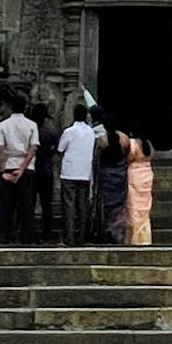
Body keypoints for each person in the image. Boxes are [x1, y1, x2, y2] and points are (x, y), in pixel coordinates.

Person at [0, 92, 39, 245]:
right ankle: (27, 237)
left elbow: (0, 148)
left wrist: (2, 170)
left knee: (8, 204)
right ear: (25, 107)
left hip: (9, 164)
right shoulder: (32, 125)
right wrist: (22, 168)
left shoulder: (3, 125)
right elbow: (33, 149)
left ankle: (6, 235)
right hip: (26, 166)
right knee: (26, 203)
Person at [56, 101, 97, 247]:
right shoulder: (91, 133)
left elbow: (60, 149)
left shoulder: (69, 132)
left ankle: (69, 237)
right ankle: (81, 237)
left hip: (69, 173)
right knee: (82, 206)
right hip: (84, 173)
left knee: (69, 206)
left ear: (73, 115)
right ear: (86, 116)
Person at [31, 101, 60, 242]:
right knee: (46, 204)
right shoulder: (50, 132)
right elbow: (56, 148)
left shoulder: (30, 131)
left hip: (31, 169)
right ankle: (46, 234)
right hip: (47, 170)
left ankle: (29, 233)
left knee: (29, 202)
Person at [97, 121, 129, 244]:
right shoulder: (124, 138)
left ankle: (107, 231)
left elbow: (99, 155)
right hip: (119, 173)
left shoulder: (103, 140)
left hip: (107, 174)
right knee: (119, 205)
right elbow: (126, 153)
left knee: (107, 204)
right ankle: (118, 232)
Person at [122, 131, 155, 246]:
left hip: (135, 173)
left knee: (133, 206)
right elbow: (151, 157)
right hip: (147, 173)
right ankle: (145, 238)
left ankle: (134, 238)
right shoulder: (149, 145)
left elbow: (130, 157)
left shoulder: (133, 143)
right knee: (145, 207)